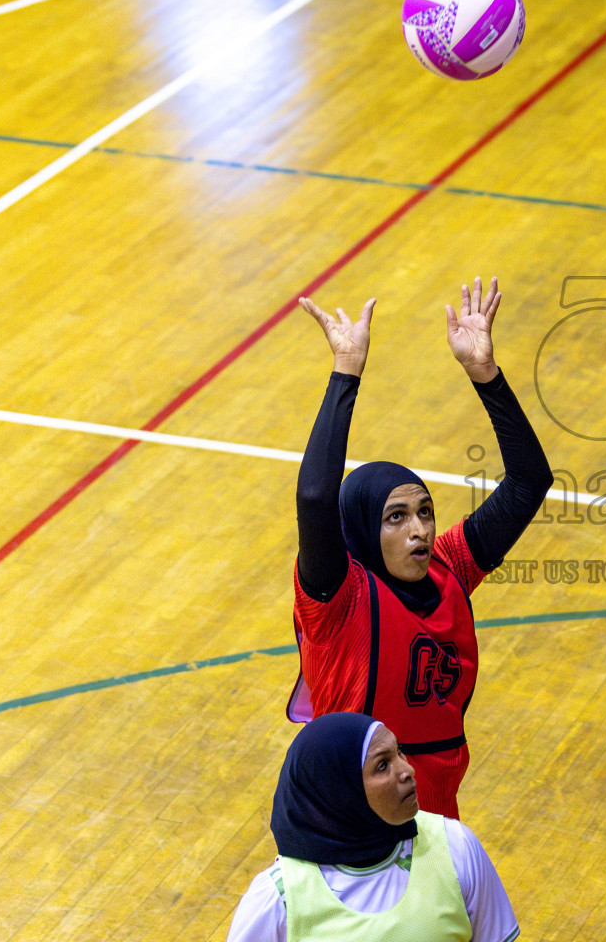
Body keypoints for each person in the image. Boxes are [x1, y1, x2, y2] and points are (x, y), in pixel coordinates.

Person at [287, 276, 552, 819]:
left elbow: (529, 482)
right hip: (356, 829)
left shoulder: (447, 567)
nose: (420, 531)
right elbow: (316, 496)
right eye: (396, 517)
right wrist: (346, 372)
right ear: (362, 530)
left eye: (425, 512)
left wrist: (486, 376)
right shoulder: (337, 602)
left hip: (436, 824)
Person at [227, 712, 520, 942]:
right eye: (382, 765)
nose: (407, 770)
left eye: (399, 752)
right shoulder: (278, 901)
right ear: (341, 792)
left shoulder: (454, 845)